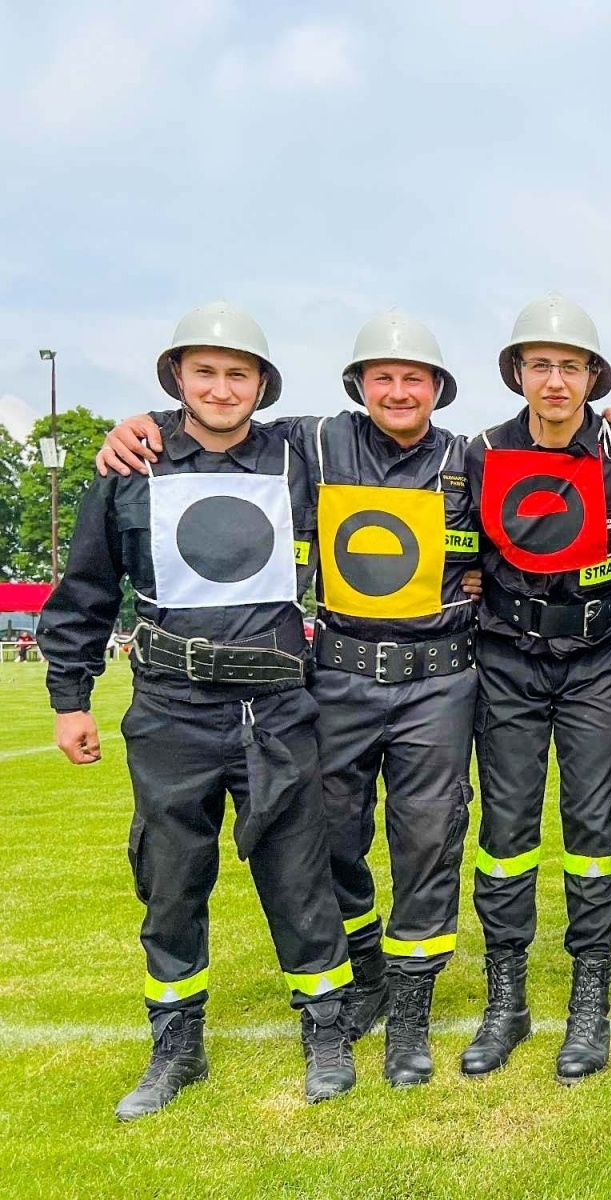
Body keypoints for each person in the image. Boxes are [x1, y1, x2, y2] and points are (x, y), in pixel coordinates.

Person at [95, 311, 485, 1088]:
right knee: (327, 842)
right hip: (334, 678)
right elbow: (215, 428)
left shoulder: (473, 460)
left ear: (439, 388)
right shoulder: (309, 442)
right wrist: (138, 427)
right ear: (359, 385)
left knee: (427, 845)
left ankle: (408, 1015)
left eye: (415, 378)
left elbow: (540, 501)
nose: (399, 390)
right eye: (383, 376)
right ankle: (367, 966)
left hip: (436, 679)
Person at [38, 303, 358, 1118]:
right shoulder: (128, 468)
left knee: (298, 873)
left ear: (261, 384)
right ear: (177, 377)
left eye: (238, 373)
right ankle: (176, 1043)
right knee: (172, 878)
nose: (221, 387)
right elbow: (84, 593)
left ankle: (325, 1028)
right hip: (171, 708)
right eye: (205, 371)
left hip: (277, 706)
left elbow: (387, 421)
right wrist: (69, 698)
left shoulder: (298, 461)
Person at [465, 294, 611, 1083]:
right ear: (517, 373)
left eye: (569, 366)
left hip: (597, 658)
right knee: (506, 835)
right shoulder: (476, 451)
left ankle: (590, 1002)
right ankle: (507, 1002)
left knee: (595, 831)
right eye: (539, 365)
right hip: (507, 657)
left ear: (591, 377)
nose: (554, 380)